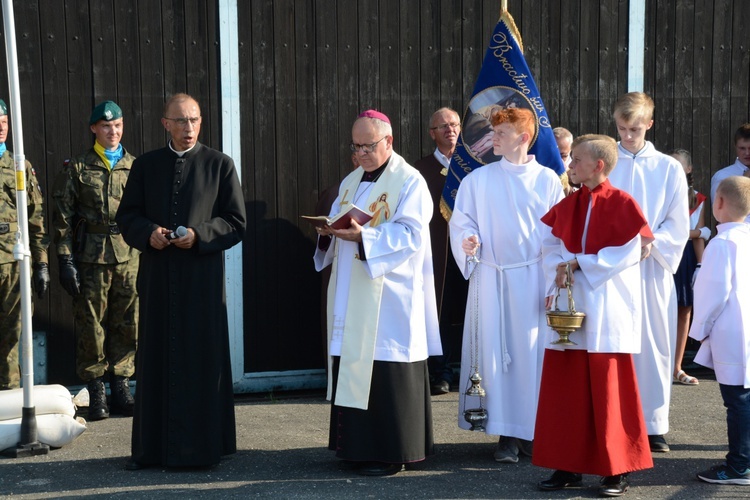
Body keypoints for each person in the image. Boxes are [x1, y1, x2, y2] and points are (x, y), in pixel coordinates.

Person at [116, 93, 246, 470]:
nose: (188, 128)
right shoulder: (145, 165)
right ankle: (152, 449)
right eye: (180, 121)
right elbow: (128, 217)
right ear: (165, 124)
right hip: (158, 279)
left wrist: (199, 235)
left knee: (201, 360)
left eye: (194, 120)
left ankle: (204, 448)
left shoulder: (219, 165)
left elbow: (236, 222)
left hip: (200, 281)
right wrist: (148, 233)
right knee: (157, 358)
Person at [314, 110, 441, 477]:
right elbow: (341, 221)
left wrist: (364, 238)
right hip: (353, 290)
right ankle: (355, 448)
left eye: (369, 145)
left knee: (385, 370)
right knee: (354, 360)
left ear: (389, 141)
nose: (362, 153)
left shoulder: (410, 181)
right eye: (356, 146)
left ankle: (390, 451)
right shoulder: (351, 180)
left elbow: (413, 234)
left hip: (390, 295)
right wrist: (329, 234)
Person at [533, 134, 654, 497]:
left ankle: (616, 469)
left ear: (598, 165)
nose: (570, 165)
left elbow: (628, 254)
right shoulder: (570, 202)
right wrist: (560, 264)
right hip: (571, 307)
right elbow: (549, 245)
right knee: (566, 391)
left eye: (577, 161)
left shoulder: (623, 203)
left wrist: (578, 263)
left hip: (607, 309)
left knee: (609, 392)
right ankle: (566, 466)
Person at [449, 107, 564, 463]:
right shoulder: (477, 181)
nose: (492, 139)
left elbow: (556, 236)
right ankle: (504, 433)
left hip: (531, 277)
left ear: (524, 137)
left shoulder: (547, 181)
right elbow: (462, 221)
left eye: (500, 133)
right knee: (493, 357)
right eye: (493, 132)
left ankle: (532, 431)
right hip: (491, 276)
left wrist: (552, 284)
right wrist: (468, 239)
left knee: (531, 356)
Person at [607, 92, 690, 453]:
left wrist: (651, 243)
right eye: (622, 128)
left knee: (654, 343)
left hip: (652, 268)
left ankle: (654, 424)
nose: (628, 136)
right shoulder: (604, 162)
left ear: (650, 125)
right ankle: (614, 420)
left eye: (635, 129)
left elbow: (678, 222)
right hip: (609, 270)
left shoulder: (668, 168)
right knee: (613, 345)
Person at [51, 101, 138, 420]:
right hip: (91, 258)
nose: (112, 131)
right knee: (91, 325)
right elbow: (61, 218)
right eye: (105, 126)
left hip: (129, 255)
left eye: (117, 125)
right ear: (93, 130)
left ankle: (122, 387)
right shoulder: (77, 167)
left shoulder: (135, 166)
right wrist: (64, 260)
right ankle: (97, 390)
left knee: (128, 322)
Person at [691, 175, 750, 485]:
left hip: (733, 331)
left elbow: (713, 292)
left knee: (737, 399)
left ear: (719, 204)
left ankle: (739, 466)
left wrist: (699, 329)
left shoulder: (722, 243)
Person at [414, 107, 468, 395]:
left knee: (473, 309)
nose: (450, 129)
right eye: (443, 126)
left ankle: (472, 368)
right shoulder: (419, 171)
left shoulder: (474, 167)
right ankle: (441, 371)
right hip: (436, 255)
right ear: (432, 133)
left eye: (455, 124)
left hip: (470, 251)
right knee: (439, 311)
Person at [0, 98, 49, 390]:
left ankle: (9, 401)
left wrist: (41, 262)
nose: (0, 129)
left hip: (15, 264)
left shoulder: (19, 165)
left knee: (13, 337)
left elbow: (36, 218)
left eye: (4, 123)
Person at [669, 149, 709, 386]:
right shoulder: (659, 193)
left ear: (689, 169)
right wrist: (696, 232)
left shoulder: (698, 198)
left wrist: (701, 266)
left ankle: (676, 367)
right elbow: (698, 232)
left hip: (685, 257)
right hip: (662, 253)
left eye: (679, 165)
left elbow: (700, 236)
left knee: (684, 310)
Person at [711, 123, 750, 224]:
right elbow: (719, 214)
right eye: (742, 148)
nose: (747, 153)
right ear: (735, 147)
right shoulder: (723, 176)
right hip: (737, 236)